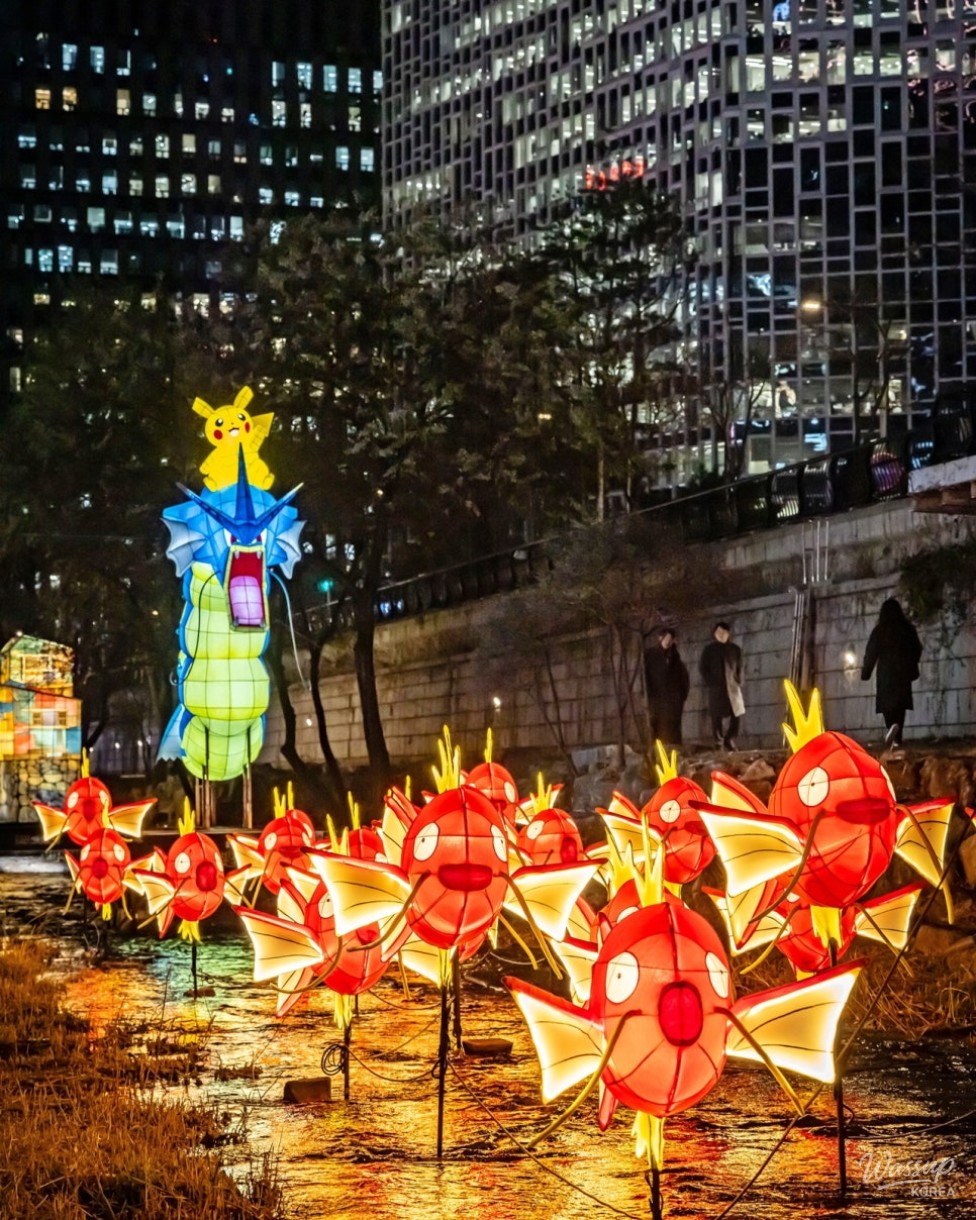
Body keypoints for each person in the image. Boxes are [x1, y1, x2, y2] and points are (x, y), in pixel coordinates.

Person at [861, 597, 922, 748]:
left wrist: (866, 672)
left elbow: (871, 653)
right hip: (903, 675)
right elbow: (917, 649)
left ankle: (891, 732)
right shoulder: (907, 629)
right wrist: (911, 664)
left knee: (888, 707)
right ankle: (897, 737)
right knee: (900, 708)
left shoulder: (880, 630)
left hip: (886, 675)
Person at [699, 622, 745, 750]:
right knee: (716, 716)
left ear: (728, 633)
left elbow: (740, 667)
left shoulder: (735, 649)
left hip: (733, 687)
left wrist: (738, 681)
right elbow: (703, 668)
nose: (720, 635)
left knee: (737, 714)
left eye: (723, 632)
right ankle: (718, 742)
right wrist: (711, 682)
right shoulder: (709, 650)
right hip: (716, 687)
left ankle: (730, 739)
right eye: (718, 632)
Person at [643, 627, 690, 747]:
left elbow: (683, 679)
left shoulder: (675, 657)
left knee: (673, 729)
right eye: (666, 638)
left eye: (671, 639)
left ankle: (674, 751)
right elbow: (644, 677)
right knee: (656, 728)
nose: (668, 642)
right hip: (656, 698)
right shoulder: (650, 655)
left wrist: (680, 697)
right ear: (660, 638)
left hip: (673, 700)